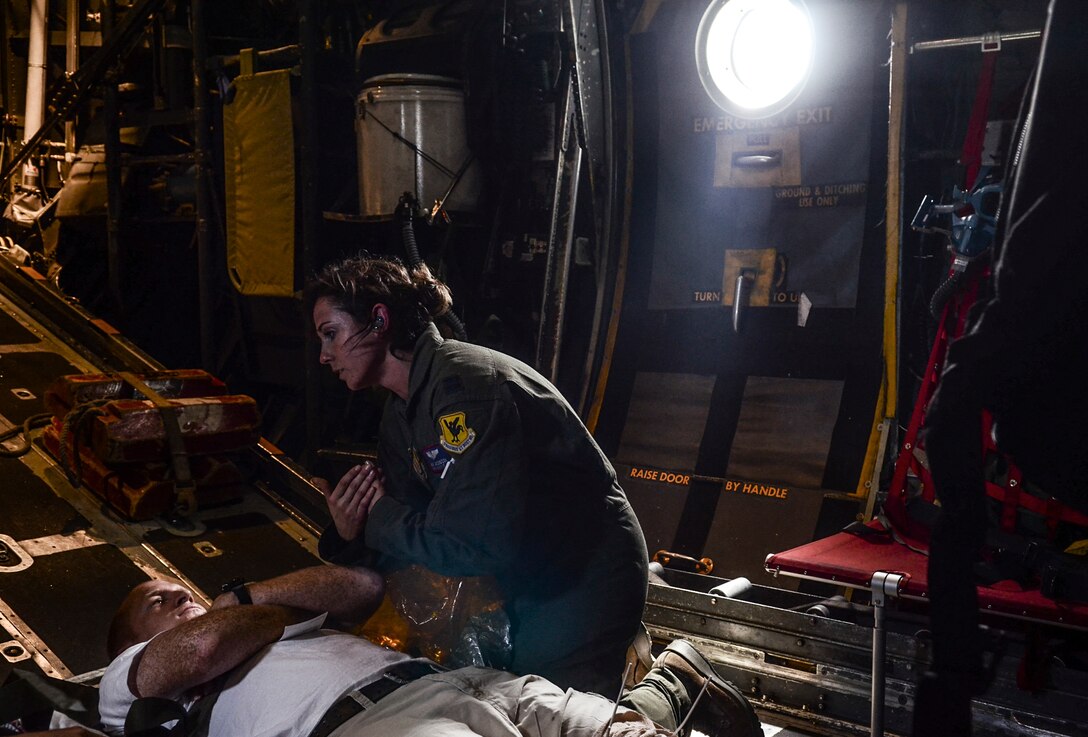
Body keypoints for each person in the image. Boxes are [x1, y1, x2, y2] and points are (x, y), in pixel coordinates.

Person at [305, 254, 650, 694]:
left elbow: (473, 544)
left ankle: (672, 685)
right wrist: (349, 530)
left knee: (562, 718)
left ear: (378, 320)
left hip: (580, 577)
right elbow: (408, 529)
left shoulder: (469, 390)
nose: (323, 355)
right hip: (525, 577)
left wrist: (376, 519)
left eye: (331, 334)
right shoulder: (401, 412)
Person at [96, 565, 762, 737]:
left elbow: (361, 586)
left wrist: (245, 591)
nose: (184, 598)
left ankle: (668, 691)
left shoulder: (259, 618)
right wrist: (233, 611)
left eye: (182, 590)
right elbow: (205, 643)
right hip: (376, 723)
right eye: (162, 601)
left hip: (456, 683)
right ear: (130, 639)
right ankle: (673, 686)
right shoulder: (125, 677)